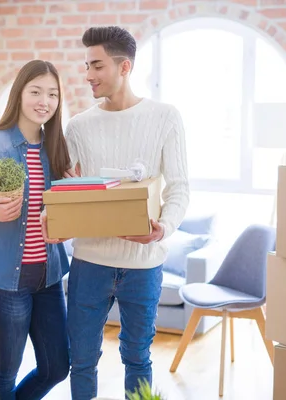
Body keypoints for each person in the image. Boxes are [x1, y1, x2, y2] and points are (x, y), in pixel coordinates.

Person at [43, 26, 189, 399]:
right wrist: (53, 218)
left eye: (97, 66)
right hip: (89, 262)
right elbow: (65, 192)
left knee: (137, 357)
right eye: (86, 66)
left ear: (124, 68)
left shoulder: (165, 117)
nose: (88, 75)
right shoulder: (78, 127)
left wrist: (162, 229)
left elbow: (179, 187)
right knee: (82, 359)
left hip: (144, 264)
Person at [0, 59, 71, 400]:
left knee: (57, 366)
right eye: (36, 91)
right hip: (4, 281)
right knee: (6, 368)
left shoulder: (57, 147)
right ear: (19, 93)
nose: (44, 101)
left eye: (52, 94)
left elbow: (62, 206)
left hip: (48, 278)